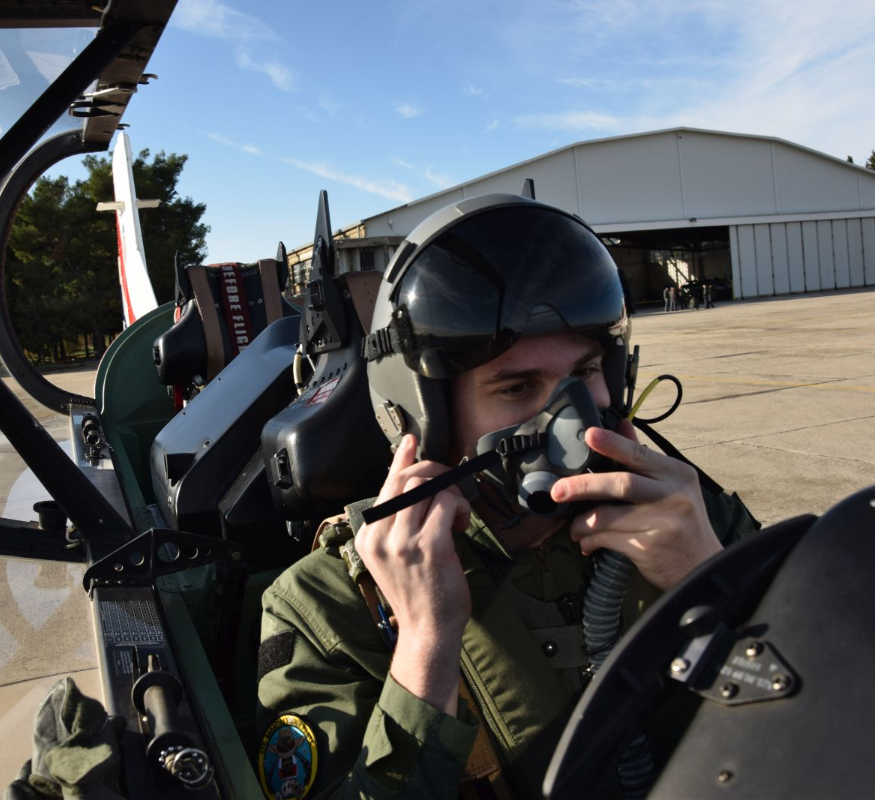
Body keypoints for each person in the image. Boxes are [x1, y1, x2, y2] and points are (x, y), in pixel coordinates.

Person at [256, 195, 758, 800]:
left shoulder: (694, 521)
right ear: (426, 416)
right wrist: (425, 646)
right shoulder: (328, 605)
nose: (574, 419)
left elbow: (837, 710)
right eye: (518, 387)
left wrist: (713, 579)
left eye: (586, 371)